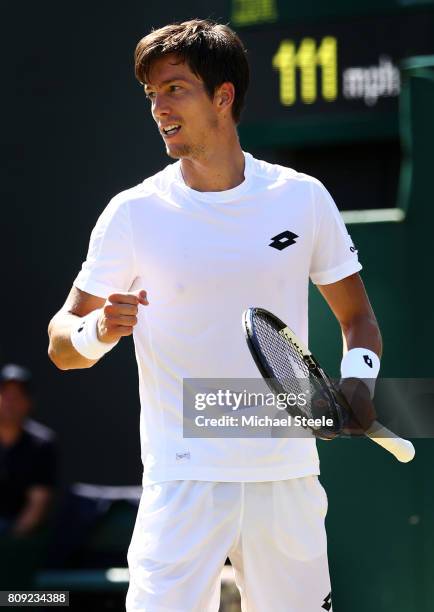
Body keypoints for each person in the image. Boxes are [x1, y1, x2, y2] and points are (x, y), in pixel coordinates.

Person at [48, 19, 382, 611]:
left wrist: (357, 383)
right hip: (181, 478)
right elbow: (61, 343)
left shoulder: (302, 197)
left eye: (174, 88)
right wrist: (99, 330)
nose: (157, 106)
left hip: (285, 475)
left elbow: (358, 319)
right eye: (151, 94)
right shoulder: (133, 213)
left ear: (223, 97)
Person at [0, 364, 57, 537]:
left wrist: (11, 540)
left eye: (17, 396)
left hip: (20, 538)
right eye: (5, 395)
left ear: (28, 402)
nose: (11, 403)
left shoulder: (42, 444)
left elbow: (38, 502)